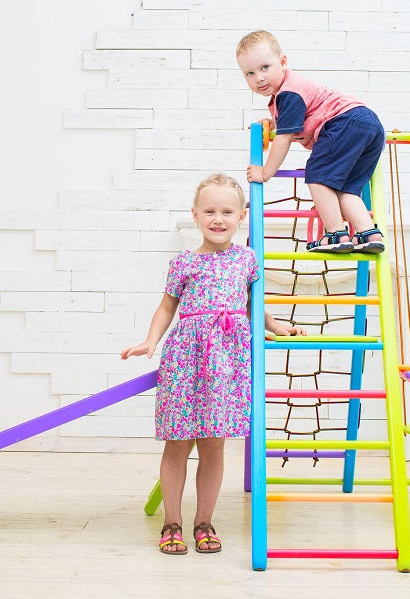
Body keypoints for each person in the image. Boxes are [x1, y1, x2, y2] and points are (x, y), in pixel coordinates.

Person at [121, 173, 305, 555]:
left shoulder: (248, 260)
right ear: (195, 215)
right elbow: (168, 305)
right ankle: (172, 523)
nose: (218, 219)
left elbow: (255, 304)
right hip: (186, 358)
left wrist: (276, 325)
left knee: (213, 444)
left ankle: (204, 521)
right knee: (177, 442)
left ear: (241, 216)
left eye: (226, 211)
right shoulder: (184, 262)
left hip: (228, 360)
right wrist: (151, 341)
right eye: (209, 211)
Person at [236, 30, 386, 254]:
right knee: (347, 189)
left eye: (265, 67)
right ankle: (368, 234)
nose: (259, 77)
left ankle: (336, 233)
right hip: (369, 125)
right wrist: (274, 123)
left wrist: (265, 173)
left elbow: (285, 138)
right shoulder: (289, 94)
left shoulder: (289, 93)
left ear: (283, 62)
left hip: (345, 122)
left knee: (318, 174)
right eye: (249, 73)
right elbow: (298, 120)